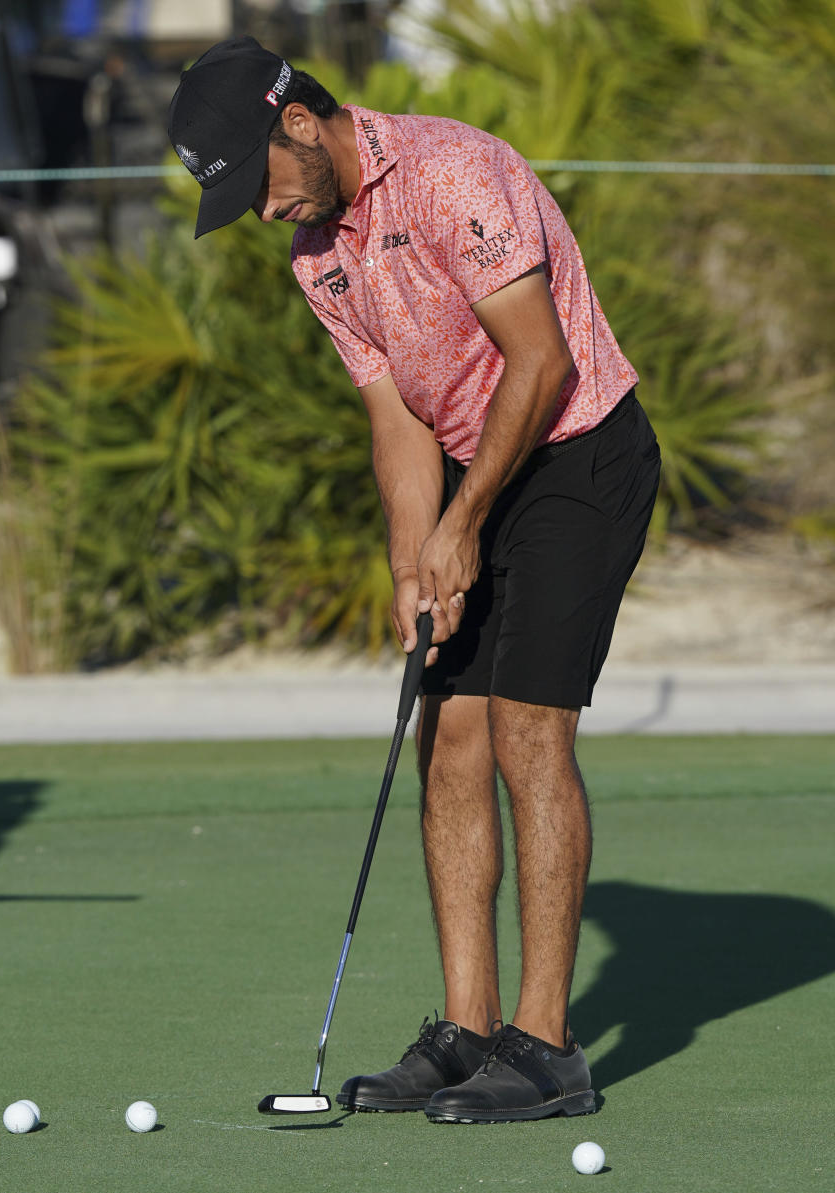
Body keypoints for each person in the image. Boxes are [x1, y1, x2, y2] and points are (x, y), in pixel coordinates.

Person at [168, 36, 660, 1124]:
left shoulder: (453, 172)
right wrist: (412, 557)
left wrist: (466, 522)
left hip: (578, 452)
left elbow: (540, 363)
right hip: (470, 465)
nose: (264, 214)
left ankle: (547, 1047)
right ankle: (468, 1026)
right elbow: (396, 420)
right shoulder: (317, 257)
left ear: (299, 122)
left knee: (531, 730)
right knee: (451, 736)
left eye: (261, 186)